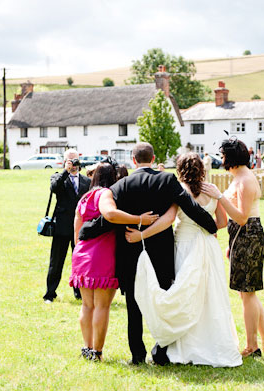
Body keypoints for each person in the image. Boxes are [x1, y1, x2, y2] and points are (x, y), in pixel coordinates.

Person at [79, 142, 217, 365]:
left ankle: (137, 355)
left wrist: (86, 231)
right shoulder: (167, 180)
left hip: (129, 250)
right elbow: (189, 205)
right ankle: (161, 352)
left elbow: (109, 219)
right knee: (163, 299)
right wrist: (210, 226)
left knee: (134, 307)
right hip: (161, 251)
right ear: (153, 159)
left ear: (134, 160)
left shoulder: (121, 185)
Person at [127, 152, 242, 367]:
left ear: (180, 169)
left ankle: (183, 345)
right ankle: (212, 343)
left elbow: (169, 219)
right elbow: (221, 222)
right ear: (201, 169)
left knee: (183, 292)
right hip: (207, 245)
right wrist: (202, 229)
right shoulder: (210, 189)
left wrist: (142, 234)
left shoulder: (178, 190)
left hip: (184, 244)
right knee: (209, 293)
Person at [70, 163, 158, 361]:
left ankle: (87, 348)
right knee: (102, 306)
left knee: (87, 305)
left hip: (82, 254)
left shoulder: (84, 198)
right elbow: (110, 214)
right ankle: (97, 352)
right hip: (100, 255)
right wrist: (139, 219)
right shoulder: (104, 194)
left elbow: (77, 231)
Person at [201, 138, 264, 358]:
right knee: (247, 293)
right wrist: (230, 244)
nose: (221, 160)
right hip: (241, 238)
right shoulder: (239, 178)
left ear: (231, 157)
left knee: (248, 292)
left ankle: (252, 347)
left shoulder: (244, 180)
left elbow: (242, 217)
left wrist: (219, 196)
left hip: (249, 235)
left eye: (223, 156)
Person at [44, 149, 91, 303]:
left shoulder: (86, 181)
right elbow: (54, 187)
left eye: (75, 160)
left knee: (78, 261)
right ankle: (50, 293)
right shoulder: (58, 177)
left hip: (80, 228)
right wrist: (66, 170)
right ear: (65, 162)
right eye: (70, 160)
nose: (73, 164)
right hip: (62, 226)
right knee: (56, 261)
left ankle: (78, 292)